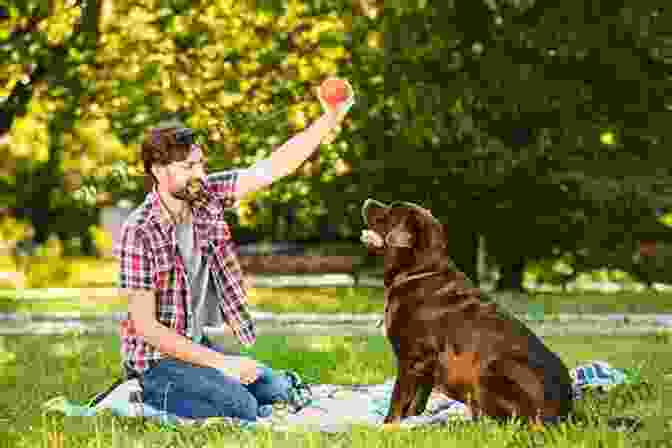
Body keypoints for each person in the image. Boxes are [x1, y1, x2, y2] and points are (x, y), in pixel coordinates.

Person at [113, 81, 355, 422]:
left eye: (200, 164)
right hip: (155, 362)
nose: (199, 174)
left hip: (195, 349)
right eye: (188, 167)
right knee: (241, 409)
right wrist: (223, 363)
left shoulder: (204, 196)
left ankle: (225, 386)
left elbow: (273, 167)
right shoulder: (138, 231)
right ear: (157, 170)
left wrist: (331, 117)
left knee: (279, 393)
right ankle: (139, 393)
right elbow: (146, 328)